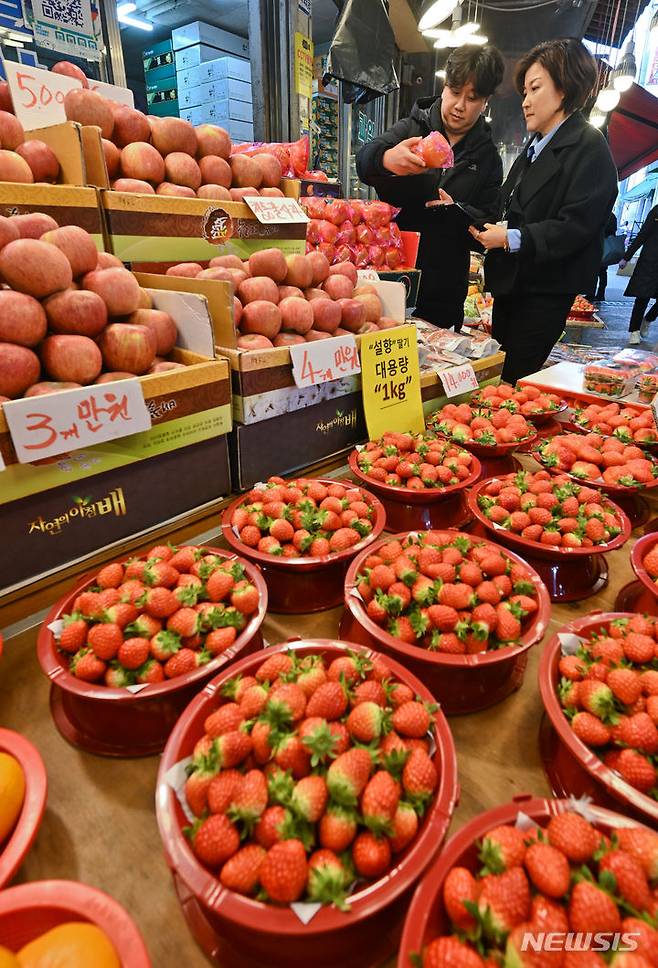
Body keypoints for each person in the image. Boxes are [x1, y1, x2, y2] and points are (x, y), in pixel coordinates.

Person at [464, 38, 618, 383]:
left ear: (564, 89)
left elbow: (578, 225)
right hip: (511, 287)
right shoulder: (534, 148)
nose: (526, 102)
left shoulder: (589, 146)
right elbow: (508, 204)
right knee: (502, 375)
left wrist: (512, 237)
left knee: (516, 377)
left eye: (535, 89)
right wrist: (462, 210)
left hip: (544, 291)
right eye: (524, 92)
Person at [356, 44, 505, 331]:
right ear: (444, 86)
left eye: (472, 98)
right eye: (454, 91)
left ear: (485, 102)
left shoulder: (488, 158)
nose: (460, 105)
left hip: (445, 287)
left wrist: (456, 211)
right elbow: (364, 162)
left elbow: (488, 222)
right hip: (393, 273)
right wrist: (387, 159)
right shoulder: (413, 128)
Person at [619, 205, 658, 344]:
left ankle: (648, 319)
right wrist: (626, 257)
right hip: (650, 261)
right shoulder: (656, 210)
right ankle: (634, 331)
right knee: (642, 296)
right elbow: (643, 234)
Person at [586, 211, 618, 302]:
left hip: (600, 246)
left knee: (594, 272)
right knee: (603, 272)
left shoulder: (604, 214)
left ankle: (591, 294)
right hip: (607, 248)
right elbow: (613, 231)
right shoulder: (612, 216)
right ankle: (600, 294)